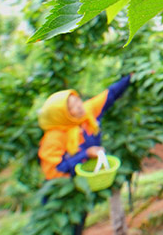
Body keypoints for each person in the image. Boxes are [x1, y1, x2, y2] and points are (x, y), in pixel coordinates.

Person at [37, 75, 132, 234]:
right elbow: (55, 170)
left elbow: (109, 95)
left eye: (78, 101)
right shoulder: (54, 137)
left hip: (85, 180)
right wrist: (86, 154)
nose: (79, 107)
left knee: (79, 222)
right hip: (63, 189)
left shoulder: (87, 115)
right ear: (61, 114)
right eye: (71, 107)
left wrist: (130, 78)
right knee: (65, 228)